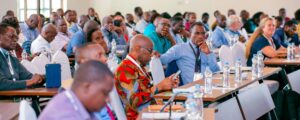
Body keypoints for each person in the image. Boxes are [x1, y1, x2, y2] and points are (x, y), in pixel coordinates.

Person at [115, 34, 179, 119]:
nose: (152, 54)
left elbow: (148, 92)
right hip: (140, 116)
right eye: (150, 50)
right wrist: (159, 87)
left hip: (151, 112)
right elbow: (134, 101)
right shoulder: (125, 69)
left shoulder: (138, 66)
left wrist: (167, 86)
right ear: (137, 48)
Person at [39, 60, 114, 120]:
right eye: (104, 93)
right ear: (87, 87)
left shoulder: (80, 105)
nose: (108, 100)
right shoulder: (65, 115)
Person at [0, 23, 43, 90]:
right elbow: (2, 84)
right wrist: (29, 82)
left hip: (15, 98)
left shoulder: (13, 59)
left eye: (16, 37)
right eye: (11, 36)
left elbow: (29, 77)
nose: (15, 40)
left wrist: (41, 78)